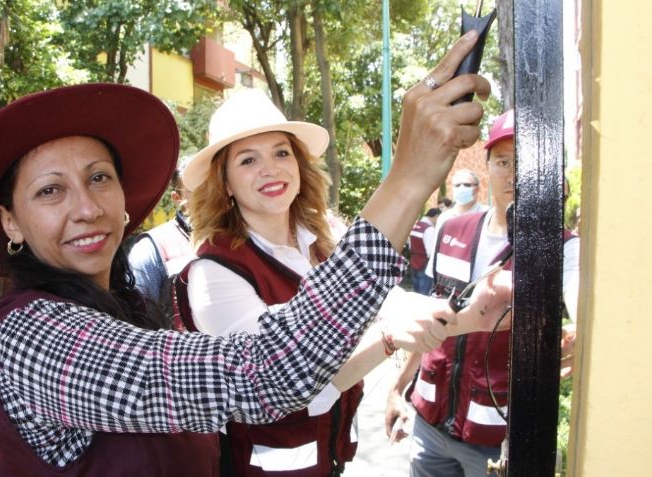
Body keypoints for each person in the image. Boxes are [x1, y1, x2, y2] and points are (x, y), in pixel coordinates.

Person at [0, 34, 505, 476]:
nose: (86, 207)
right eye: (50, 190)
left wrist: (460, 320)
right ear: (9, 221)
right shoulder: (35, 337)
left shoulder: (116, 306)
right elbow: (266, 373)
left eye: (99, 178)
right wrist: (407, 179)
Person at [172, 77, 499, 474]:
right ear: (224, 183)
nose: (270, 169)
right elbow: (286, 382)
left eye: (281, 152)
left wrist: (461, 313)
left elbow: (385, 299)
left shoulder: (325, 236)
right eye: (248, 160)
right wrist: (390, 338)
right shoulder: (212, 274)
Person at [384, 109, 581, 477]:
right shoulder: (451, 229)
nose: (512, 174)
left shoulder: (564, 249)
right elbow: (431, 316)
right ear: (487, 167)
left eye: (524, 162)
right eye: (503, 161)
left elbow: (585, 308)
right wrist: (398, 388)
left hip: (498, 439)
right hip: (429, 423)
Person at [128, 161, 195, 324]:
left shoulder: (241, 234)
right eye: (195, 189)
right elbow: (140, 321)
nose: (208, 194)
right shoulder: (150, 249)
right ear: (177, 198)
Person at [409, 208, 442, 296]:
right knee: (423, 293)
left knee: (416, 290)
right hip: (424, 263)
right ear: (436, 216)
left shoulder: (416, 225)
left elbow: (409, 244)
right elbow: (430, 252)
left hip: (414, 261)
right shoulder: (429, 229)